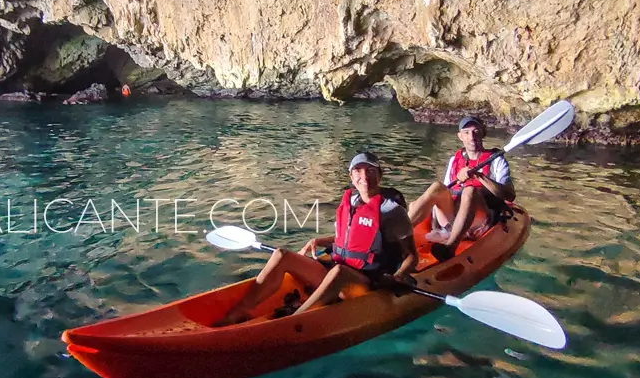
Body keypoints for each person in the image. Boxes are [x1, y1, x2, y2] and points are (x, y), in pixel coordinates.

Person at [213, 152, 419, 327]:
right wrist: (320, 241)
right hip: (337, 268)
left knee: (339, 271)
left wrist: (398, 276)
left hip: (366, 283)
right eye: (358, 171)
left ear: (380, 175)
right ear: (351, 175)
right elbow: (350, 239)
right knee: (282, 254)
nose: (364, 176)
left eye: (371, 170)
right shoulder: (351, 202)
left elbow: (411, 256)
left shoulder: (391, 211)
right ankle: (237, 313)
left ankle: (295, 321)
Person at [407, 116, 516, 262]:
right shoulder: (455, 160)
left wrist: (478, 176)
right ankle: (395, 236)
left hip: (480, 221)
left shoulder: (496, 159)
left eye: (476, 131)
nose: (471, 137)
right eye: (466, 132)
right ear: (460, 136)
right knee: (437, 187)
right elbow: (446, 191)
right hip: (451, 219)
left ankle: (450, 247)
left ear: (483, 133)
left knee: (470, 191)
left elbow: (509, 196)